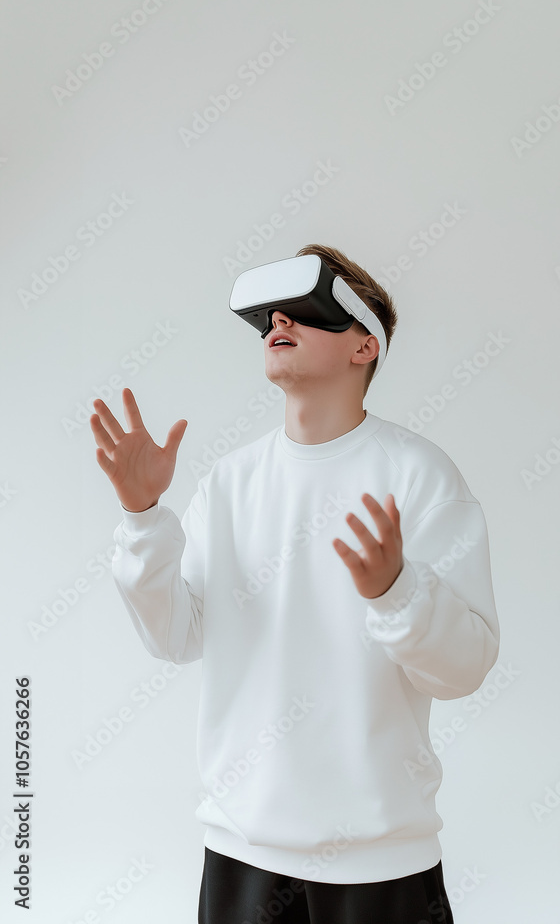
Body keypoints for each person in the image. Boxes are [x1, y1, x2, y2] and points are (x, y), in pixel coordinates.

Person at [90, 243, 500, 923]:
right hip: (241, 851)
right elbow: (175, 635)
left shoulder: (421, 476)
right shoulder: (230, 483)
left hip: (381, 863)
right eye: (270, 317)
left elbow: (465, 669)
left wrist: (397, 590)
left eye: (308, 313)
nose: (279, 320)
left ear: (363, 347)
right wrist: (141, 519)